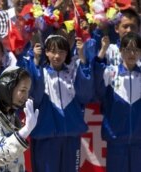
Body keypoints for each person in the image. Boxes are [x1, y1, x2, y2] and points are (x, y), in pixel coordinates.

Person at [17, 34, 94, 172]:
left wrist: (82, 58)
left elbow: (85, 95)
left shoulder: (73, 73)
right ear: (46, 52)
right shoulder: (41, 73)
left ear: (67, 53)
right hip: (45, 137)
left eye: (61, 51)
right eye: (53, 51)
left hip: (70, 137)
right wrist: (35, 60)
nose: (57, 56)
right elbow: (34, 96)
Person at [94, 32, 141, 172]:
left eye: (136, 50)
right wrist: (102, 50)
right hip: (116, 140)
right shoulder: (111, 73)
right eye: (127, 49)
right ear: (120, 50)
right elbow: (96, 82)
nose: (132, 53)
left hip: (138, 141)